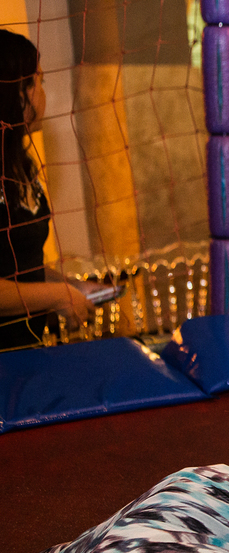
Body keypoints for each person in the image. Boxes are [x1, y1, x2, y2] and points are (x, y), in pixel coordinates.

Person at [0, 29, 93, 351]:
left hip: (26, 352)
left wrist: (67, 285)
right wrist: (58, 296)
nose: (42, 92)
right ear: (16, 93)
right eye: (38, 80)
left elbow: (19, 266)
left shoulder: (19, 165)